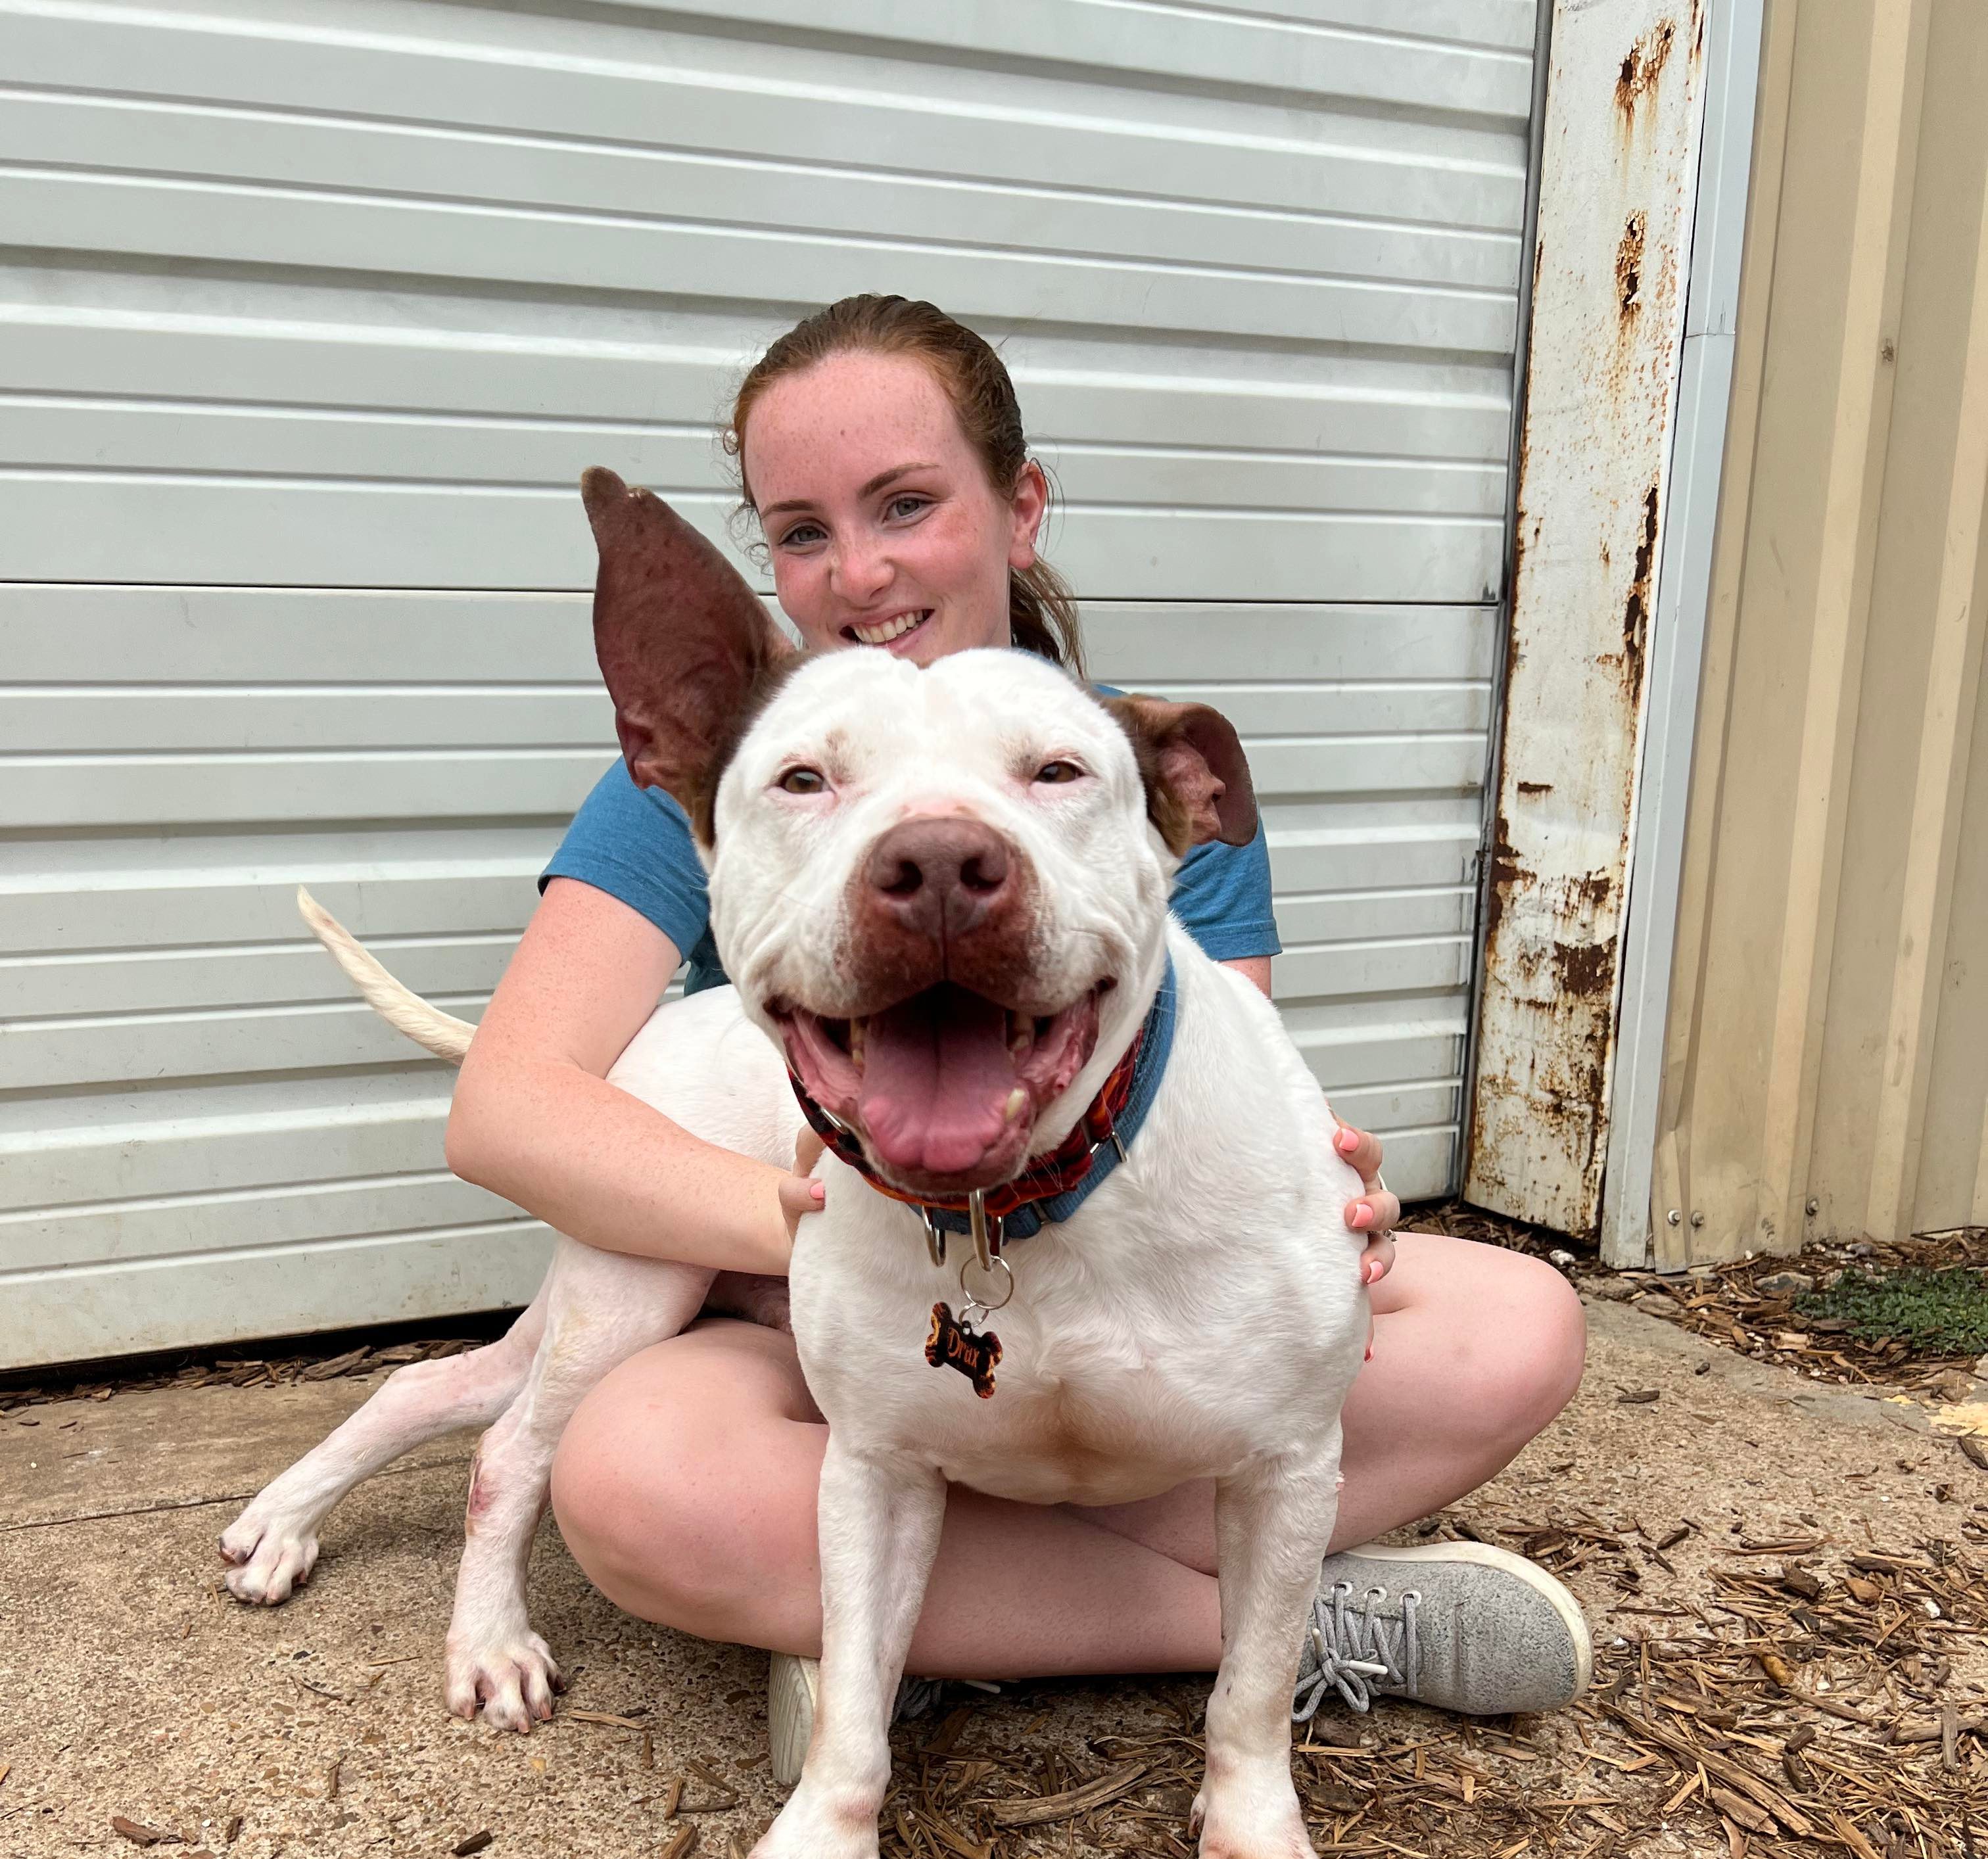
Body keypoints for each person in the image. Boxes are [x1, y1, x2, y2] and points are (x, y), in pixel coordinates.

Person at [445, 296, 1590, 1776]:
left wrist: (1331, 1188)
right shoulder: (742, 768)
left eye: (906, 504)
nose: (859, 570)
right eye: (800, 531)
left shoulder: (1121, 776)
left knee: (1520, 1327)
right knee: (632, 1479)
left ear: (1020, 506)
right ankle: (1290, 1629)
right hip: (849, 1329)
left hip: (1112, 1311)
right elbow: (506, 1111)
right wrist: (826, 1207)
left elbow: (1220, 1096)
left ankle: (944, 1623)